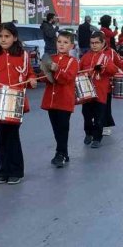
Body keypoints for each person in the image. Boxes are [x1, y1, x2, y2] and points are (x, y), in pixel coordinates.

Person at [0, 23, 37, 185]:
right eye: (1, 36)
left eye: (7, 36)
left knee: (12, 136)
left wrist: (31, 80)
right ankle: (4, 171)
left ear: (15, 38)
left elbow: (30, 74)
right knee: (2, 137)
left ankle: (16, 171)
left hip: (16, 102)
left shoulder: (23, 56)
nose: (3, 40)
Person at [41, 32, 79, 167]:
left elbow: (67, 78)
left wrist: (57, 70)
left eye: (65, 42)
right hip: (51, 100)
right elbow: (45, 77)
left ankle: (60, 153)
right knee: (56, 129)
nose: (62, 44)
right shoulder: (51, 58)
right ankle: (64, 152)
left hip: (64, 100)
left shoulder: (73, 62)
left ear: (71, 46)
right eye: (59, 41)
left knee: (63, 128)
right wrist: (44, 72)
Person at [78, 32, 119, 148]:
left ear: (102, 44)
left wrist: (104, 68)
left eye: (97, 43)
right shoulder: (85, 57)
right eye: (92, 43)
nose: (94, 45)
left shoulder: (106, 58)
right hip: (87, 92)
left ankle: (97, 138)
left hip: (100, 93)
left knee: (99, 117)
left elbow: (113, 70)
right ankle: (88, 133)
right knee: (86, 115)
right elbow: (78, 70)